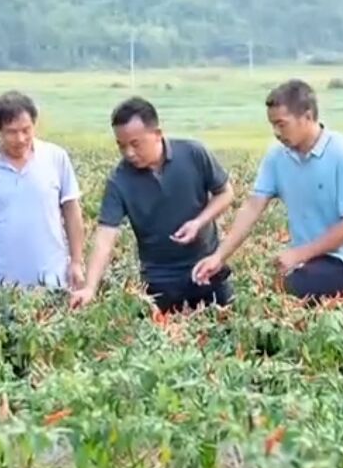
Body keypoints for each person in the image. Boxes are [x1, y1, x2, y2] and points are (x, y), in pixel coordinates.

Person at [192, 79, 343, 304]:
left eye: (282, 124)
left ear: (307, 116)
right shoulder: (277, 157)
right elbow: (252, 207)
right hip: (308, 261)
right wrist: (219, 257)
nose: (277, 132)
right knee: (263, 289)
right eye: (273, 125)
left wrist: (299, 254)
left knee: (285, 292)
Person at [70, 97, 235, 313]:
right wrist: (90, 287)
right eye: (121, 146)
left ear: (157, 134)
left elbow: (226, 193)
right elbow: (104, 237)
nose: (129, 153)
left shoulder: (194, 153)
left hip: (208, 269)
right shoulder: (119, 181)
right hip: (160, 281)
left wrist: (199, 222)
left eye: (135, 144)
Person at [0, 91, 86, 290]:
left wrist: (77, 261)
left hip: (52, 278)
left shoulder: (56, 158)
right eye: (12, 132)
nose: (20, 139)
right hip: (0, 284)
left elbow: (71, 210)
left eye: (26, 130)